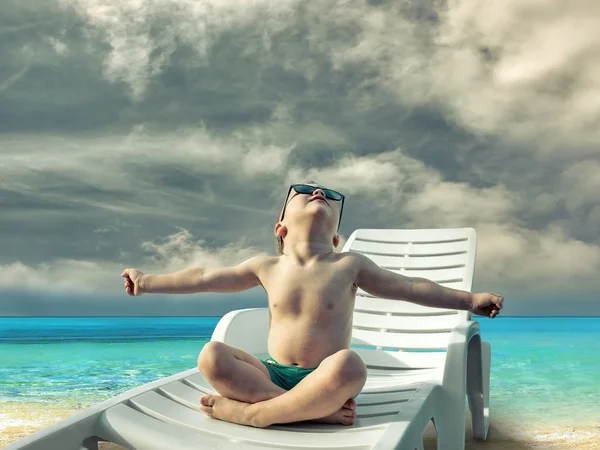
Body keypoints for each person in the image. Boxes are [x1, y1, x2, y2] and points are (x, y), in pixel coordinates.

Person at [121, 181, 504, 428]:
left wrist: (468, 300)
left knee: (350, 363)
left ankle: (255, 414)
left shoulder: (349, 264)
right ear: (280, 228)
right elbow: (203, 277)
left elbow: (410, 286)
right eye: (304, 191)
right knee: (211, 355)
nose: (319, 193)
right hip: (269, 374)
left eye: (329, 195)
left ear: (336, 238)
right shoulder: (265, 266)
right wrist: (146, 282)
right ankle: (302, 409)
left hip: (326, 379)